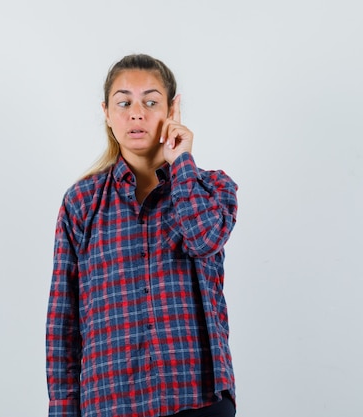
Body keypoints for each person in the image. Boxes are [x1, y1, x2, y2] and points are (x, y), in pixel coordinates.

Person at [45, 54, 238, 417]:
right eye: (124, 102)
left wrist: (182, 163)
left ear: (172, 109)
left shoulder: (212, 188)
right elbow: (63, 321)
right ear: (106, 112)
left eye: (151, 102)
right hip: (111, 402)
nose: (137, 113)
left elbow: (204, 239)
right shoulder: (81, 202)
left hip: (196, 397)